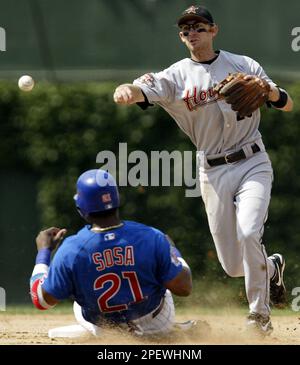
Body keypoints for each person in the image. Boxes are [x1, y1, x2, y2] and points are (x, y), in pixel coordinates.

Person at [113, 5, 293, 335]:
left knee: (250, 231)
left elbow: (286, 102)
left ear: (214, 30)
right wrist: (127, 89)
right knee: (233, 265)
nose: (192, 32)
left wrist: (267, 90)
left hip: (253, 161)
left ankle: (259, 317)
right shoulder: (176, 76)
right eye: (185, 29)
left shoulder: (244, 64)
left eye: (198, 26)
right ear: (181, 37)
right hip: (212, 171)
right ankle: (270, 269)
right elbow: (143, 87)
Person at [29, 169, 192, 337]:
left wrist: (44, 252)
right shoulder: (151, 236)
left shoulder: (71, 249)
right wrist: (173, 250)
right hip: (157, 323)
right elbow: (184, 288)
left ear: (80, 207)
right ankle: (168, 331)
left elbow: (41, 300)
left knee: (78, 302)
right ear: (117, 199)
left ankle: (113, 335)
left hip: (105, 329)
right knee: (165, 277)